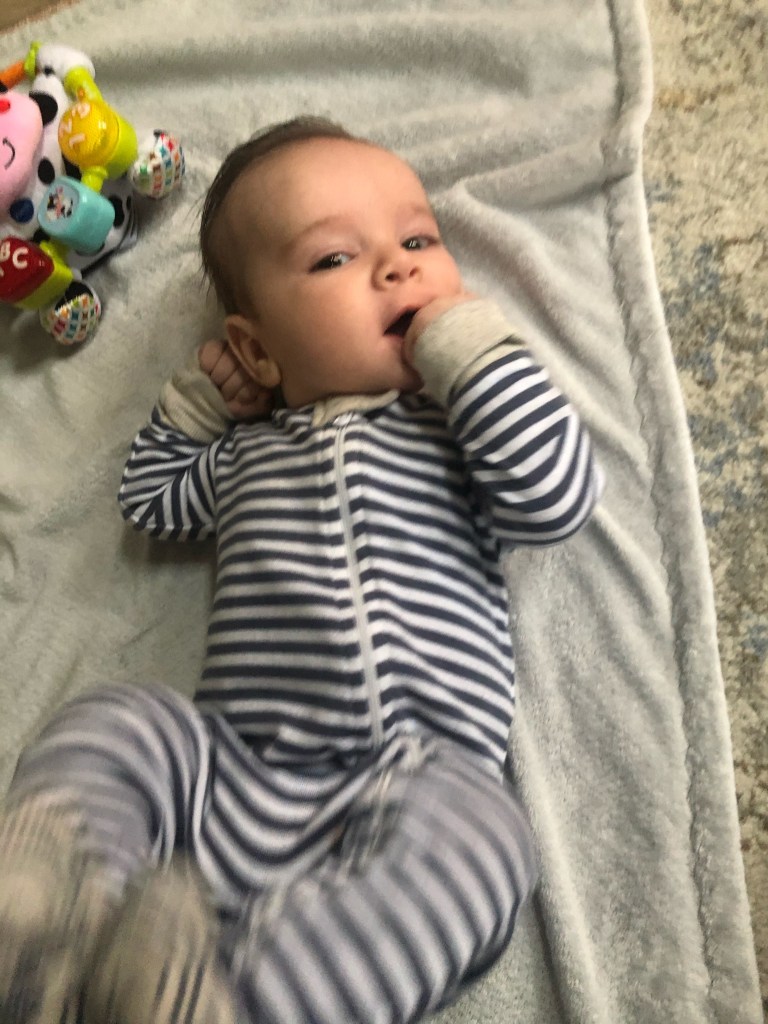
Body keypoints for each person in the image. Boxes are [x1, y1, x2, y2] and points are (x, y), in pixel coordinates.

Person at [0, 116, 603, 1024]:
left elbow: (555, 494)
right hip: (232, 778)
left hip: (421, 785)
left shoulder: (461, 430)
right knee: (124, 720)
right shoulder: (248, 458)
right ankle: (53, 914)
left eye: (418, 241)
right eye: (333, 259)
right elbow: (151, 500)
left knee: (491, 838)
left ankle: (238, 1002)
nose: (396, 269)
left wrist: (477, 359)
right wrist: (203, 404)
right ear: (258, 348)